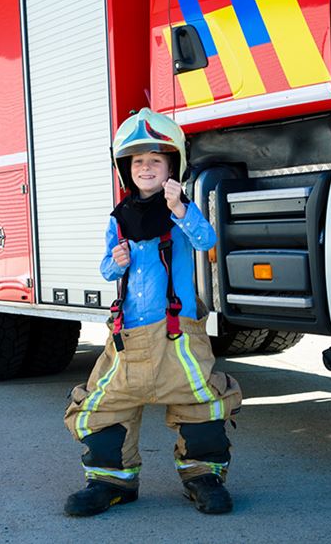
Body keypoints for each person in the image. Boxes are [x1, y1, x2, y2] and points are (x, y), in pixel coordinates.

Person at [64, 108, 242, 517]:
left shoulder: (179, 211)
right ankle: (111, 483)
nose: (146, 168)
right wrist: (117, 261)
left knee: (202, 403)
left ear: (171, 166)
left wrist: (180, 208)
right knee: (102, 406)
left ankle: (203, 476)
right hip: (126, 339)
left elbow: (206, 239)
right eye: (138, 161)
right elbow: (106, 268)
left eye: (156, 161)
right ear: (127, 169)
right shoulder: (119, 218)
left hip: (178, 336)